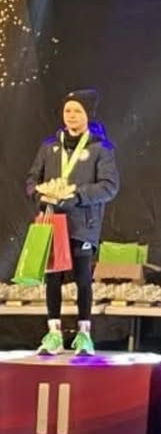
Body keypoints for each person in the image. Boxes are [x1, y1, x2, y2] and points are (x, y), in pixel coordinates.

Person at [26, 89, 119, 355]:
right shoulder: (49, 146)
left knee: (83, 278)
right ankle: (53, 334)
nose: (72, 116)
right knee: (53, 278)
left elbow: (109, 186)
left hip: (83, 224)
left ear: (88, 114)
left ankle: (84, 334)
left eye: (78, 111)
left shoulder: (101, 148)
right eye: (68, 110)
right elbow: (31, 179)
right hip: (52, 221)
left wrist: (76, 196)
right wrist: (39, 194)